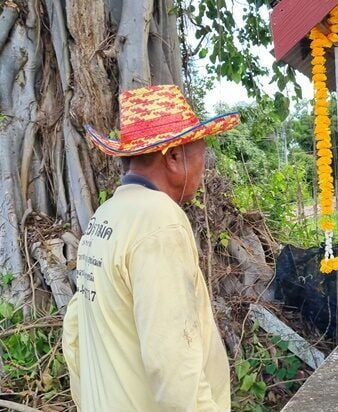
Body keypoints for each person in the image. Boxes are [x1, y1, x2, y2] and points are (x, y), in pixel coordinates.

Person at [62, 84, 240, 411]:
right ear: (174, 157)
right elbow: (173, 366)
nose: (204, 169)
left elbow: (74, 332)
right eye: (201, 154)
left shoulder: (106, 215)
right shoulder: (159, 222)